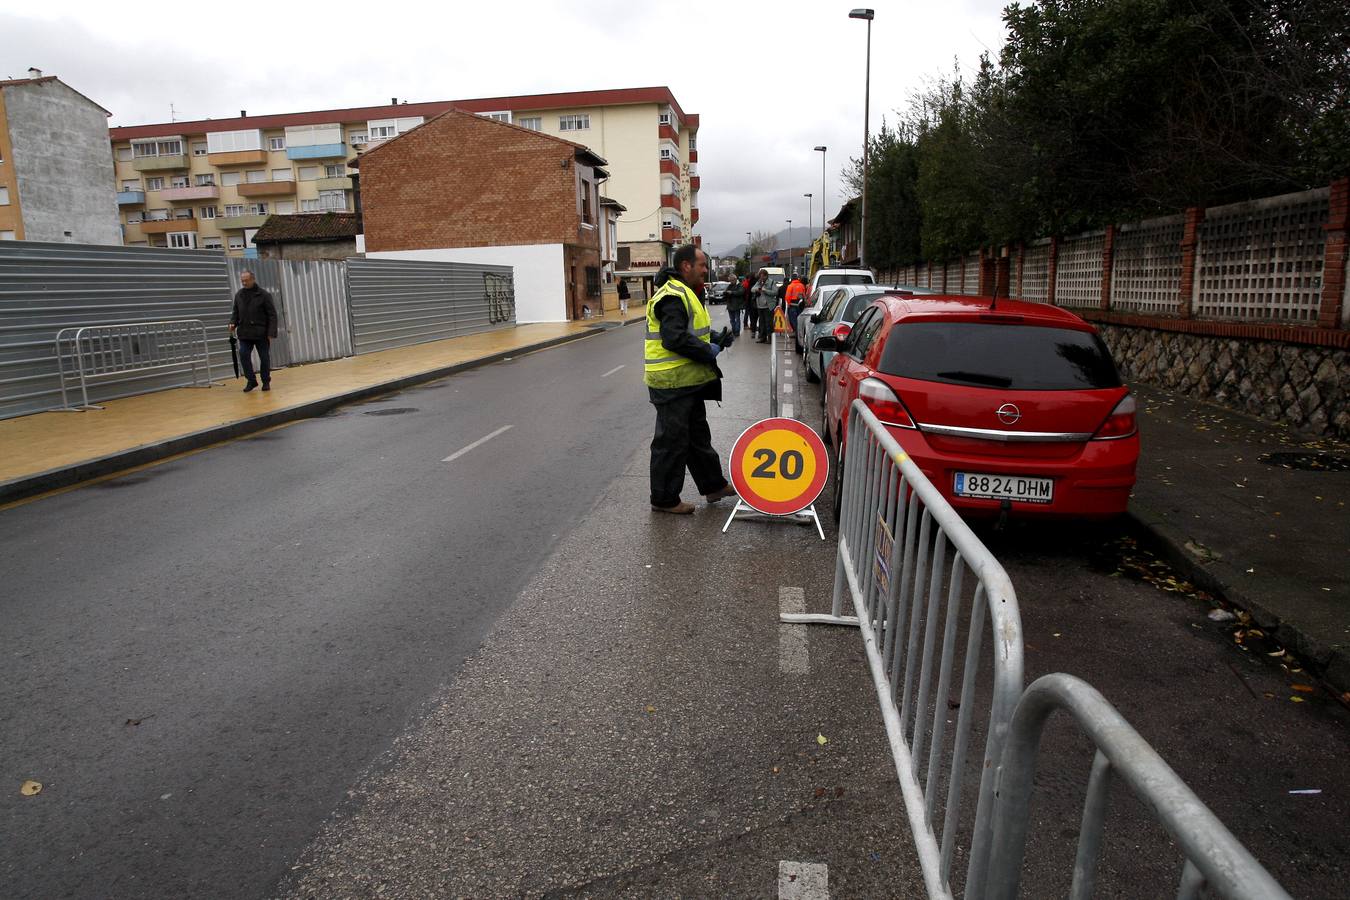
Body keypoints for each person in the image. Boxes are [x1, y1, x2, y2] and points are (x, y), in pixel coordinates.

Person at [645, 244, 738, 515]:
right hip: (671, 382)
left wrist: (714, 341)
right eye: (702, 266)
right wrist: (706, 350)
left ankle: (714, 486)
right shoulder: (673, 295)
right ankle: (663, 500)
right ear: (686, 266)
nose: (705, 271)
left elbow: (688, 334)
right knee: (671, 442)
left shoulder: (685, 292)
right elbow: (674, 338)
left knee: (697, 437)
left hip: (686, 381)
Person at [228, 270, 278, 393]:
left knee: (264, 358)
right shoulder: (239, 295)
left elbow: (272, 315)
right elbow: (236, 312)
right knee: (243, 354)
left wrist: (271, 333)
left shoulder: (264, 295)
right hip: (245, 333)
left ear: (253, 279)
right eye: (242, 281)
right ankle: (251, 380)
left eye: (246, 280)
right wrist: (232, 322)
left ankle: (266, 381)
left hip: (261, 333)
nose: (244, 283)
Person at [755, 273, 776, 342]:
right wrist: (757, 289)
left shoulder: (771, 282)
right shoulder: (759, 282)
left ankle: (770, 338)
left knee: (769, 323)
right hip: (760, 306)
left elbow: (775, 292)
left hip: (768, 306)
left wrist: (765, 290)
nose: (761, 278)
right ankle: (763, 338)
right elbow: (752, 289)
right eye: (760, 277)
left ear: (766, 276)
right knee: (761, 323)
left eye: (762, 277)